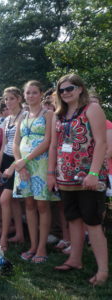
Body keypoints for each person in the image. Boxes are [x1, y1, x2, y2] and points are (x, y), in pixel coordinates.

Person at [48, 74, 109, 285]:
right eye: (62, 90)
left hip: (89, 177)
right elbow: (54, 146)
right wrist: (51, 174)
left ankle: (102, 270)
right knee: (73, 219)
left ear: (80, 88)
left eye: (70, 88)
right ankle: (75, 259)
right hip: (65, 178)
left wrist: (93, 173)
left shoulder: (92, 109)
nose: (66, 93)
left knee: (92, 222)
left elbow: (101, 143)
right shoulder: (58, 115)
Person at [10, 80, 59, 263]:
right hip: (22, 166)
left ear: (41, 94)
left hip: (40, 164)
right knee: (28, 205)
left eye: (34, 92)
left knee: (42, 205)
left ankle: (41, 248)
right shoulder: (22, 116)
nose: (31, 96)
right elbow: (15, 142)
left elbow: (48, 141)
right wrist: (19, 163)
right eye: (28, 93)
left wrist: (25, 160)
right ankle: (32, 245)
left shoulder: (48, 114)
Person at [0, 87, 26, 251]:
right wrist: (0, 168)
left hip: (19, 160)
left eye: (11, 98)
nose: (8, 102)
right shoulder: (7, 119)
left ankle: (3, 240)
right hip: (6, 159)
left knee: (4, 199)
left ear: (19, 99)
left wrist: (13, 165)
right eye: (6, 99)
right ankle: (20, 234)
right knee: (14, 201)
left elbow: (22, 143)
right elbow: (3, 145)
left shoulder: (25, 116)